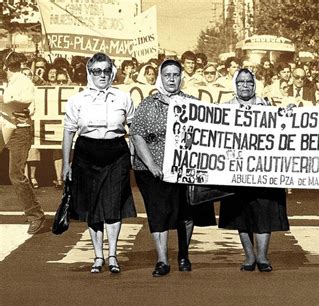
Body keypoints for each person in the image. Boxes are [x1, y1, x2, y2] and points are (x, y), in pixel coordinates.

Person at [130, 59, 215, 277]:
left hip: (184, 169)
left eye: (175, 75)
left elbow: (210, 130)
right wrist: (151, 164)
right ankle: (162, 260)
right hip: (154, 171)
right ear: (161, 76)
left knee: (186, 213)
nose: (171, 79)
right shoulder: (149, 104)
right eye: (167, 75)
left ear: (181, 77)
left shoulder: (193, 103)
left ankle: (184, 255)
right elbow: (137, 134)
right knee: (158, 214)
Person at [62, 52, 137, 274]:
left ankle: (113, 255)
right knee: (92, 206)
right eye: (97, 71)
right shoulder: (77, 100)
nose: (102, 75)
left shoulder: (123, 97)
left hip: (116, 152)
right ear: (89, 73)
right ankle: (98, 256)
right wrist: (66, 164)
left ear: (112, 72)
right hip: (87, 153)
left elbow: (134, 129)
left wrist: (133, 154)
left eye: (106, 70)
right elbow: (68, 132)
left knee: (114, 204)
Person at [218, 68, 289, 272]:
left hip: (263, 169)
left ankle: (262, 256)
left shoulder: (267, 106)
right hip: (236, 169)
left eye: (249, 81)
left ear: (254, 84)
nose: (245, 85)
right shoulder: (224, 109)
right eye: (241, 82)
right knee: (241, 213)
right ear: (235, 85)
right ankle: (249, 256)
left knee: (264, 212)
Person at [1, 51, 45, 234]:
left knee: (16, 174)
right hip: (7, 127)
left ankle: (36, 214)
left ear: (5, 65)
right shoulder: (10, 82)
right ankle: (34, 214)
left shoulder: (23, 82)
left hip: (20, 130)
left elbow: (26, 104)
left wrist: (5, 101)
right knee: (15, 173)